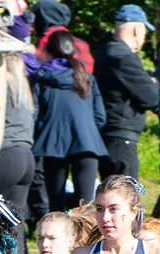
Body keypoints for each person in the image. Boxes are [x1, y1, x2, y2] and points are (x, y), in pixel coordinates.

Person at [31, 31, 106, 214]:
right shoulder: (86, 78)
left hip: (52, 146)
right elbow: (100, 117)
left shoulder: (39, 79)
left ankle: (59, 242)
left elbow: (34, 115)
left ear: (48, 51)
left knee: (55, 207)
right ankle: (86, 243)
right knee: (85, 209)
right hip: (87, 144)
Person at [94, 6, 158, 181]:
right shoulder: (123, 56)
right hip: (121, 137)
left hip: (108, 134)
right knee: (126, 198)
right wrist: (152, 84)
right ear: (137, 30)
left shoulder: (105, 50)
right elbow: (151, 97)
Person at [0, 52, 34, 246]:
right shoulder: (24, 91)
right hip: (26, 156)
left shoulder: (2, 86)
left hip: (7, 154)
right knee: (16, 221)